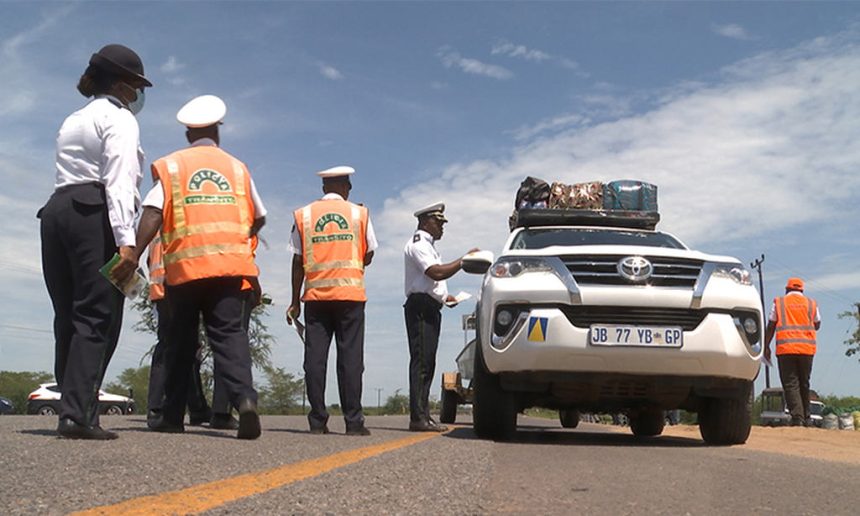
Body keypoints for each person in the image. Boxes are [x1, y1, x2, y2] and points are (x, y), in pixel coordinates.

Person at [114, 94, 266, 439]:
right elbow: (259, 215)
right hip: (230, 269)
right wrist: (239, 237)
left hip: (184, 270)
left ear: (187, 134)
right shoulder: (237, 168)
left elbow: (152, 211)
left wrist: (133, 255)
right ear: (219, 131)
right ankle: (244, 400)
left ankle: (171, 416)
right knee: (230, 337)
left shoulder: (172, 166)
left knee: (181, 342)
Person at [38, 44, 151, 440]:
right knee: (97, 315)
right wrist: (128, 243)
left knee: (66, 315)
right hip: (94, 212)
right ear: (122, 85)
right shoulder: (119, 118)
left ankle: (71, 406)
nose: (137, 95)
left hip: (56, 212)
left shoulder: (73, 118)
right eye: (136, 86)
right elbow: (118, 180)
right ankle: (79, 414)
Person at [287, 166, 376, 436]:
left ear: (324, 188)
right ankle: (353, 422)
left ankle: (317, 421)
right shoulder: (359, 213)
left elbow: (297, 260)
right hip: (350, 297)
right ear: (346, 187)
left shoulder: (304, 215)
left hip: (315, 297)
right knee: (350, 360)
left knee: (315, 359)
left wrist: (294, 301)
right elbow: (369, 253)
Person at [403, 202, 478, 432]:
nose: (442, 227)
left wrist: (446, 297)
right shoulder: (418, 244)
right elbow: (434, 272)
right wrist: (463, 261)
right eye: (439, 222)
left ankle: (423, 414)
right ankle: (418, 417)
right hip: (421, 307)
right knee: (422, 362)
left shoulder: (430, 246)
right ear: (426, 221)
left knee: (428, 362)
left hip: (430, 305)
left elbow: (432, 282)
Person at [145, 236, 213, 428]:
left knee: (187, 347)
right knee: (169, 346)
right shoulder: (175, 219)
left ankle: (197, 407)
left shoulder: (156, 228)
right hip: (175, 285)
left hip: (165, 287)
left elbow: (150, 260)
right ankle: (157, 408)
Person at [763, 277, 821, 427]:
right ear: (802, 290)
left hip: (786, 349)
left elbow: (771, 325)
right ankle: (807, 418)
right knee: (804, 383)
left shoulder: (779, 302)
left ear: (787, 289)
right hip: (807, 350)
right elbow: (817, 323)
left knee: (791, 384)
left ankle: (797, 418)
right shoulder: (811, 303)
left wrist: (766, 346)